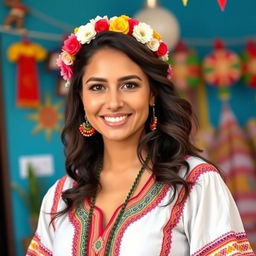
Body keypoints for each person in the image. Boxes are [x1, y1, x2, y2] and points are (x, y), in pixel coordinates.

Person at [26, 15, 254, 256]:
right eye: (97, 87)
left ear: (152, 94)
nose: (113, 102)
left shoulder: (195, 183)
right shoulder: (60, 197)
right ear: (82, 98)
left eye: (129, 85)